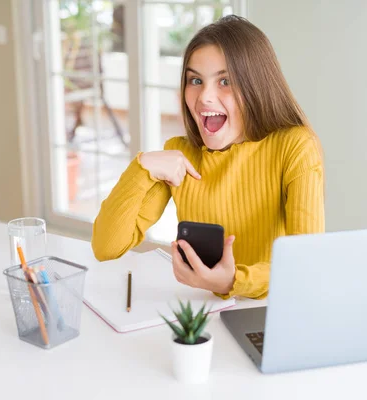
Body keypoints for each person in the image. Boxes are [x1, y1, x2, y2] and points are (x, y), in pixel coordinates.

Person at [91, 15, 324, 300]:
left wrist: (233, 280)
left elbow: (308, 263)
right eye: (195, 80)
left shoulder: (295, 147)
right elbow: (106, 247)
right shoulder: (181, 154)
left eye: (224, 81)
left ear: (256, 85)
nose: (204, 98)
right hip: (203, 312)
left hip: (269, 313)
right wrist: (141, 167)